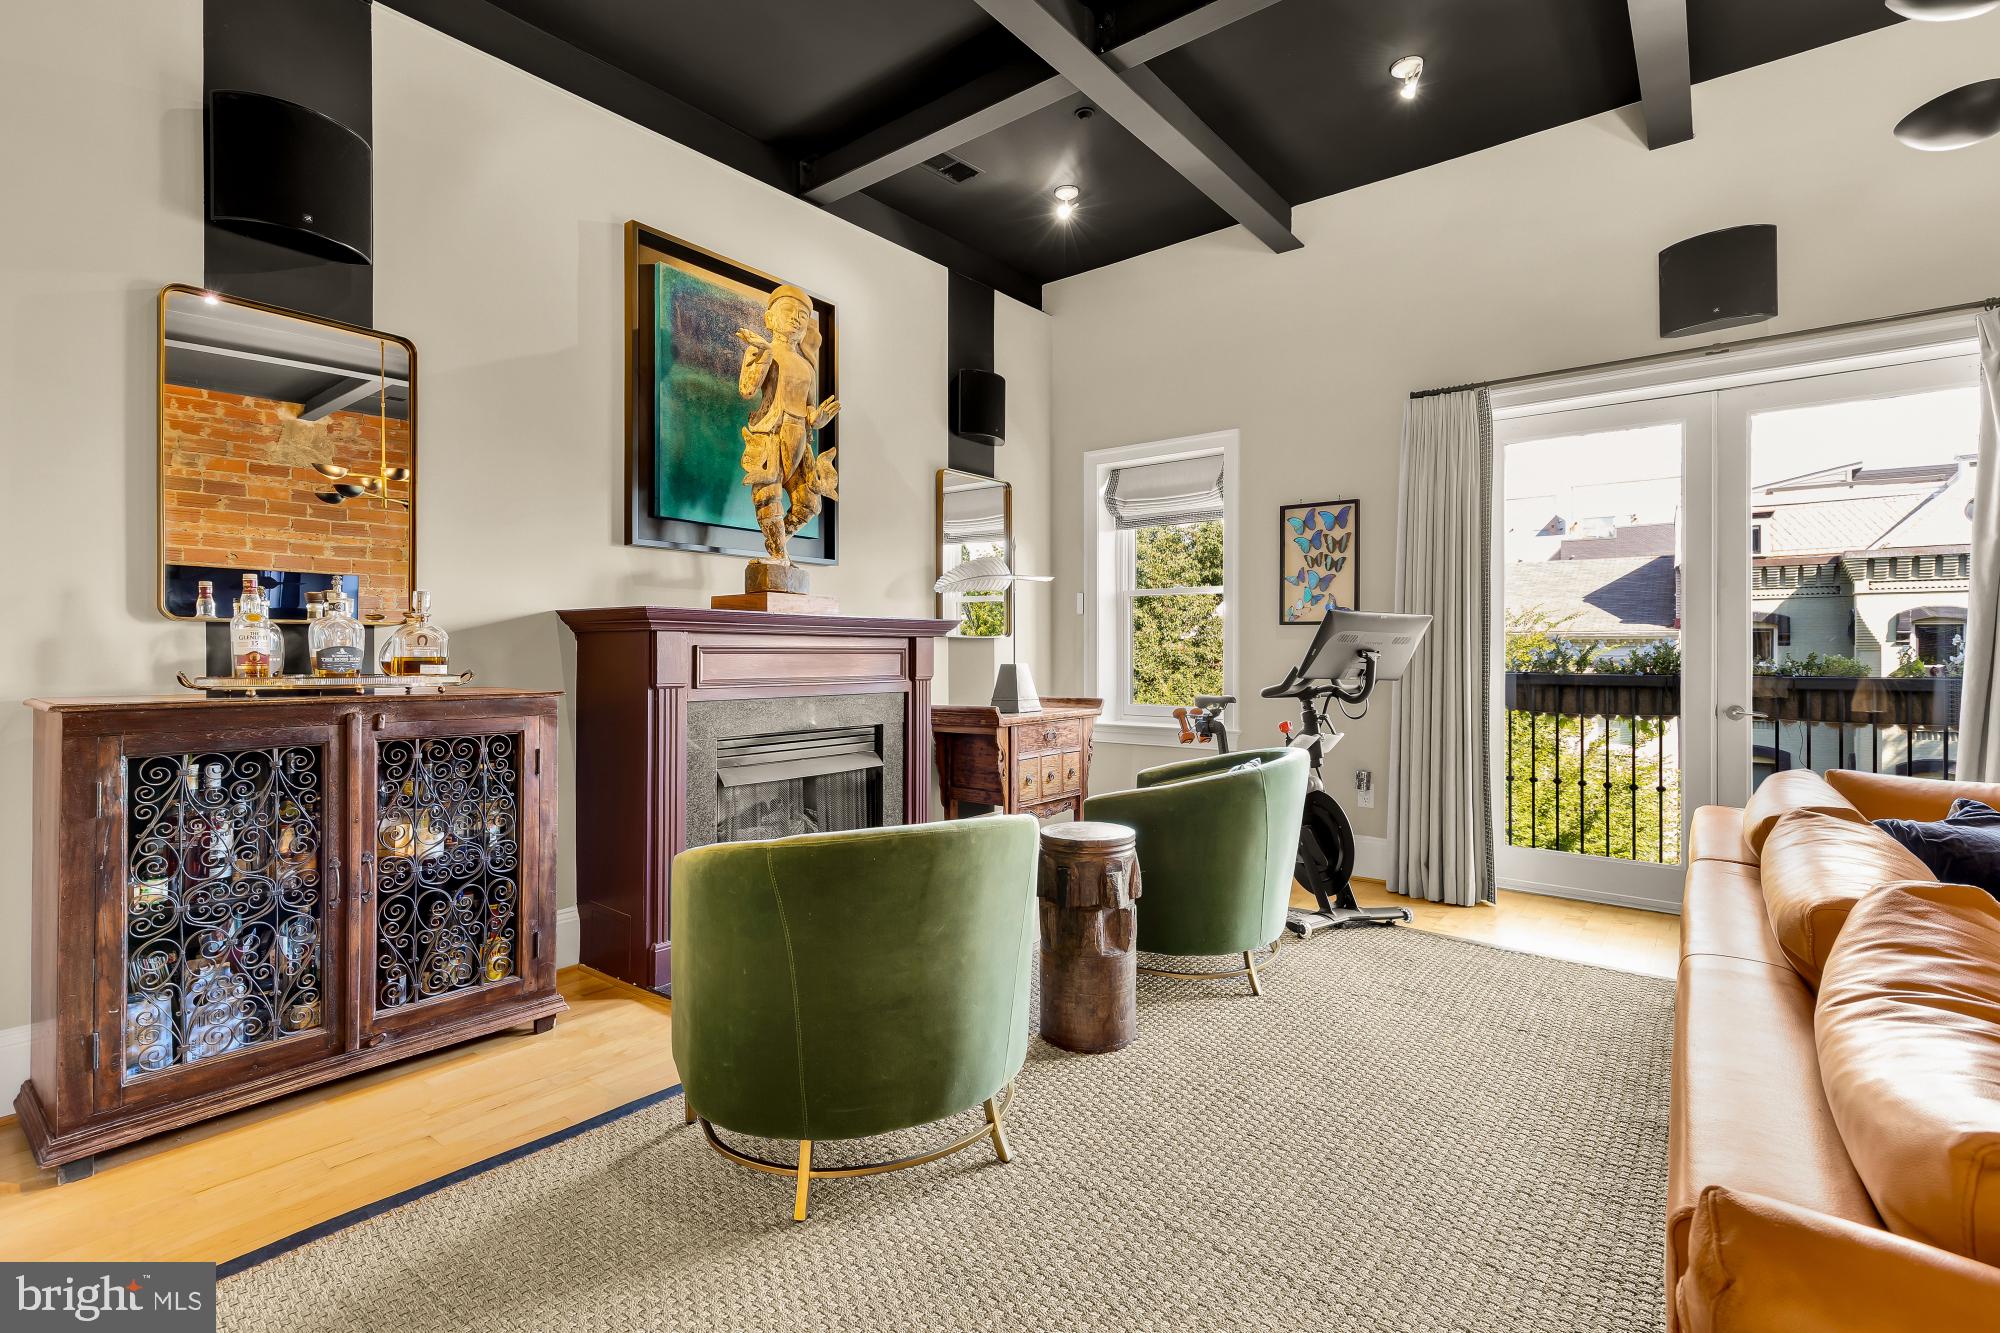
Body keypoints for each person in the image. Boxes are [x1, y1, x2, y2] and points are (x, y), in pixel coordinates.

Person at [735, 284, 839, 561]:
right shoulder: (762, 351)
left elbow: (809, 409)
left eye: (802, 316)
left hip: (799, 438)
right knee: (768, 500)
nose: (795, 318)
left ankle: (778, 547)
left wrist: (817, 419)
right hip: (770, 435)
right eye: (788, 311)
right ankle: (779, 556)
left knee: (809, 504)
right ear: (770, 318)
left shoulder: (806, 366)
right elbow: (746, 389)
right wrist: (762, 356)